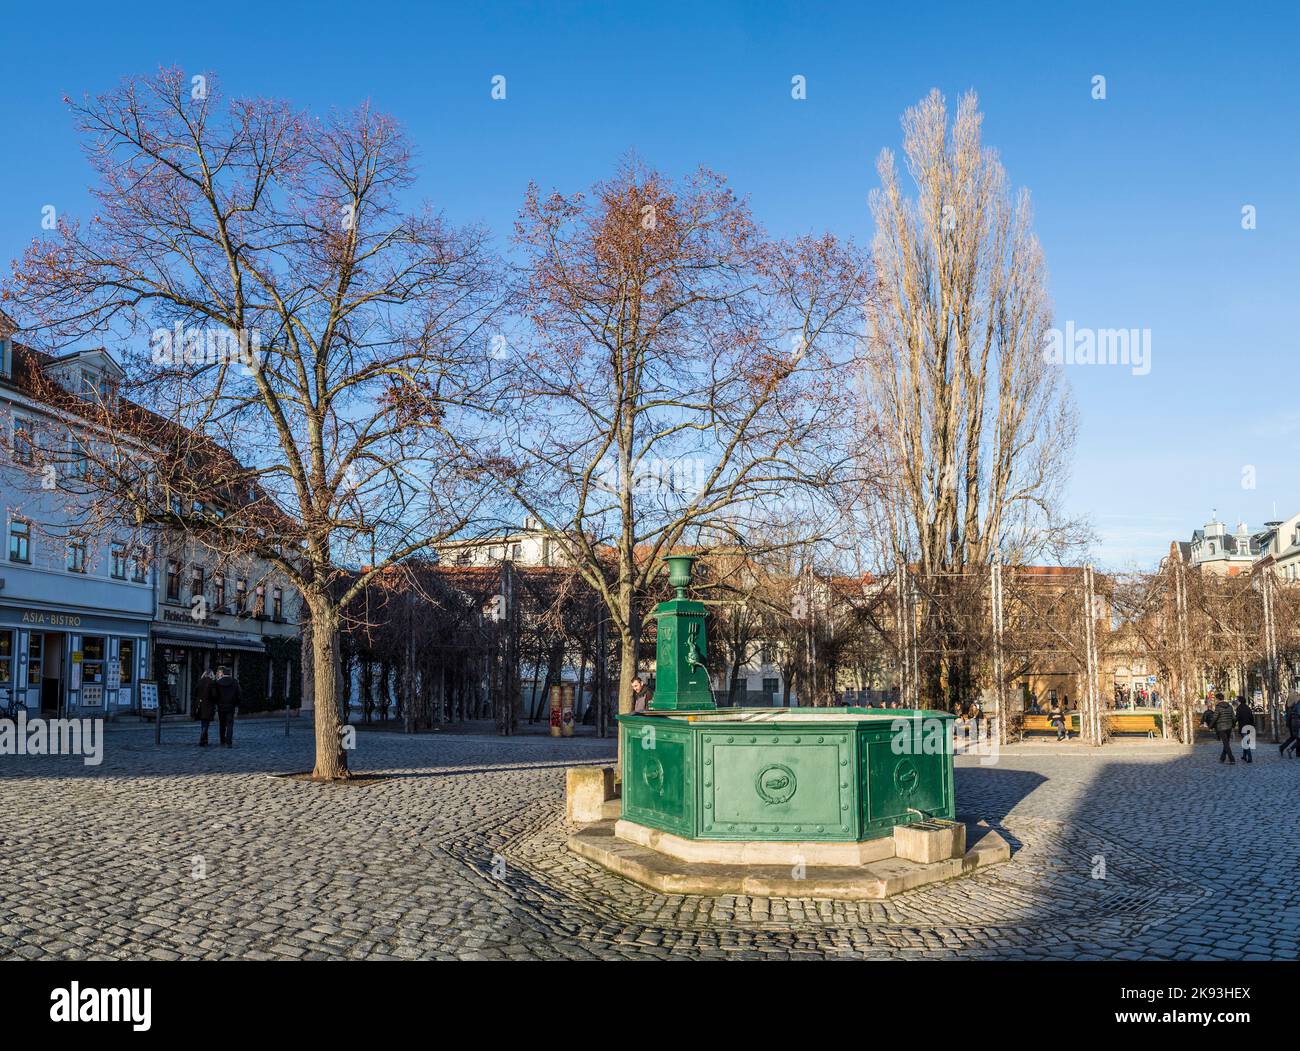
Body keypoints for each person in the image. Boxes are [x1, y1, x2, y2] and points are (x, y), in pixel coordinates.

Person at [214, 666, 241, 748]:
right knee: (230, 724)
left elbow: (215, 695)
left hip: (221, 706)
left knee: (222, 724)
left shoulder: (218, 682)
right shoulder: (235, 682)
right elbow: (239, 694)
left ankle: (222, 740)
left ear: (223, 673)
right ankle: (229, 741)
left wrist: (217, 703)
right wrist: (236, 704)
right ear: (230, 674)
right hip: (231, 706)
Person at [1212, 691, 1236, 765]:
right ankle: (1222, 758)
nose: (1215, 701)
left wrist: (1210, 726)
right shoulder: (1230, 706)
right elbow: (1234, 717)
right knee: (1226, 743)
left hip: (1221, 727)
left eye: (1215, 699)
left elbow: (1214, 718)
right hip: (1229, 727)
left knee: (1226, 744)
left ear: (1218, 699)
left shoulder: (1218, 707)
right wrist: (1233, 725)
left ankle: (1232, 759)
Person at [195, 668, 216, 747]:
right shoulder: (212, 682)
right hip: (208, 706)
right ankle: (202, 739)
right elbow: (214, 695)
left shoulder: (200, 681)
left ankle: (205, 740)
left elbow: (195, 692)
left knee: (203, 723)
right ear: (211, 674)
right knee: (206, 724)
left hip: (200, 705)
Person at [1235, 693, 1255, 764]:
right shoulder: (1248, 707)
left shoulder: (1239, 708)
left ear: (1240, 701)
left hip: (1243, 727)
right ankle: (1244, 755)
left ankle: (1249, 758)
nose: (1237, 701)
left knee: (1245, 742)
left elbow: (1237, 718)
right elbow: (1251, 717)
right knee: (1245, 741)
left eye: (1237, 700)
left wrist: (1233, 724)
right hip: (1249, 727)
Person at [1281, 691, 1300, 758]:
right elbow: (1298, 713)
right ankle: (1291, 749)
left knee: (1295, 737)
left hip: (1292, 722)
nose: (1297, 696)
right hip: (1296, 722)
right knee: (1297, 738)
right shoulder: (1295, 703)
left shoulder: (1290, 703)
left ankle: (1295, 751)